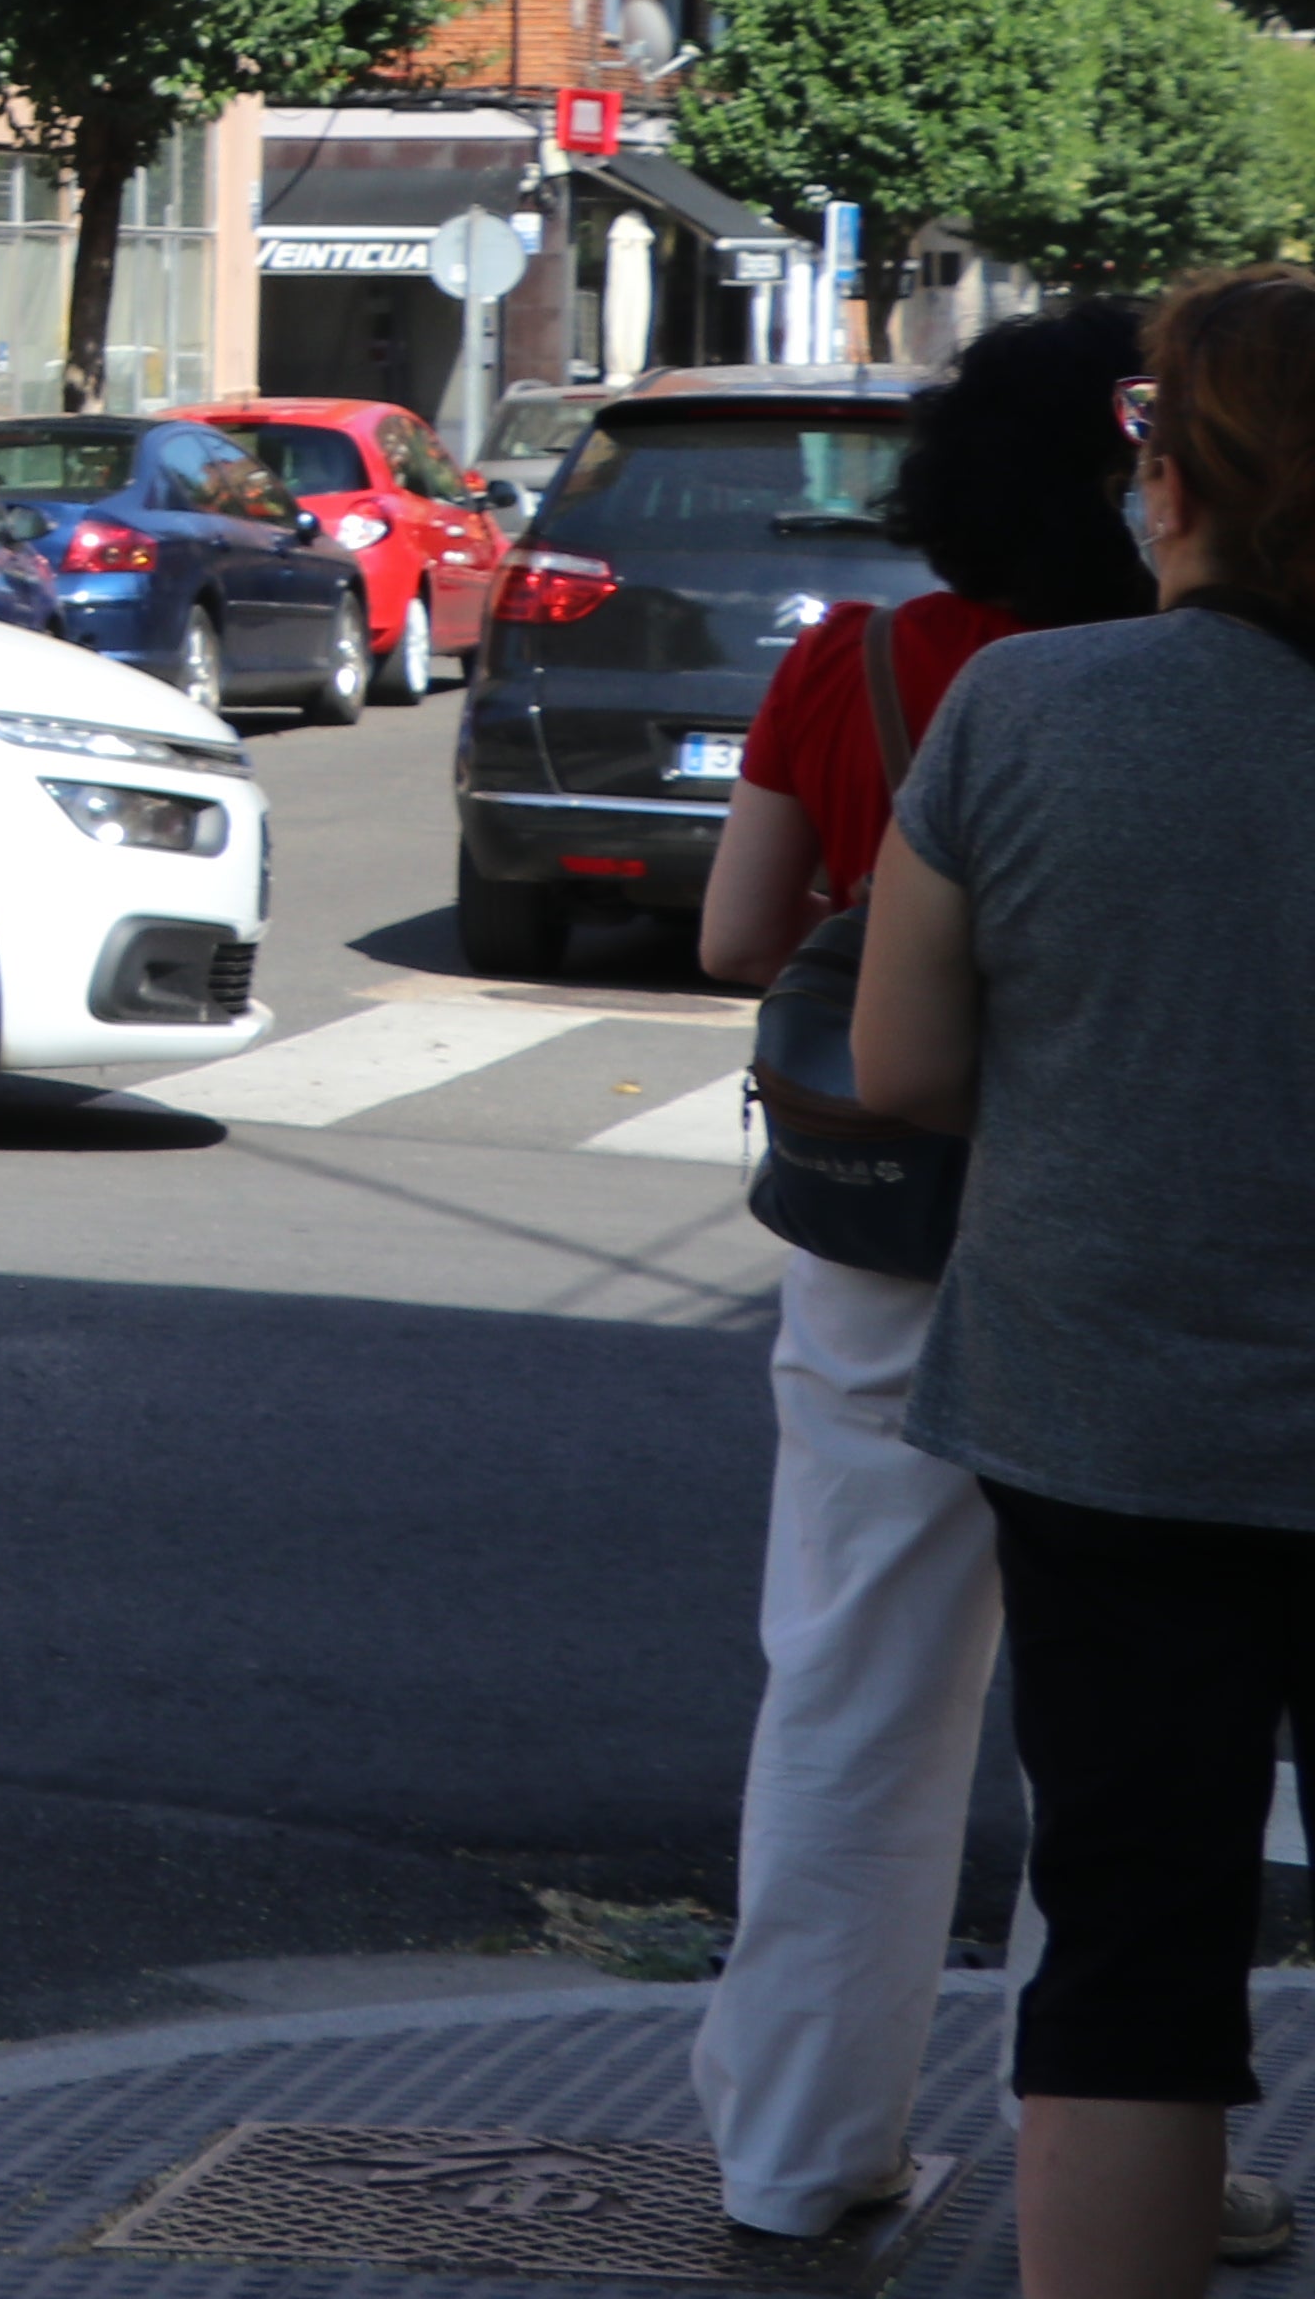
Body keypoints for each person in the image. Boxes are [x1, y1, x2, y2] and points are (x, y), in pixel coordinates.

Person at [680, 304, 1178, 2246]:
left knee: (850, 1694)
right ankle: (1131, 2153)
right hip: (1122, 1247)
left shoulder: (859, 660)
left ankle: (798, 2154)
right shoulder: (1182, 676)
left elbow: (737, 933)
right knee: (1129, 1734)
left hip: (887, 1256)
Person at [859, 266, 1315, 2299]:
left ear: (1179, 480)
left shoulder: (1027, 706)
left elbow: (906, 1066)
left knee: (1132, 1925)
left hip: (1102, 1403)